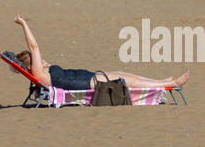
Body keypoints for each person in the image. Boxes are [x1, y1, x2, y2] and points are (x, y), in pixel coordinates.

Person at [13, 15, 189, 90]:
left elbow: (37, 55)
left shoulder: (41, 71)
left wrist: (46, 65)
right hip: (84, 82)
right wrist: (24, 24)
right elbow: (34, 47)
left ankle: (161, 81)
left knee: (123, 73)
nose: (41, 60)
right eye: (37, 60)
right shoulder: (37, 72)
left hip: (85, 77)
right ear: (30, 64)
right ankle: (172, 84)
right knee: (130, 82)